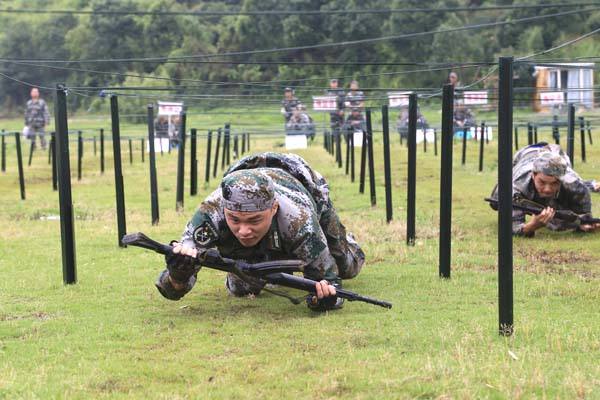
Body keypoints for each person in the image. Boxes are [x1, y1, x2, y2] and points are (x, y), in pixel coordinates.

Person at [155, 152, 366, 311]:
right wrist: (177, 276)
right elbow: (172, 290)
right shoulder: (210, 214)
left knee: (347, 267)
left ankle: (344, 242)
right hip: (244, 175)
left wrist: (322, 299)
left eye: (254, 220)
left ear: (273, 209)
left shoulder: (300, 220)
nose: (244, 230)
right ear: (224, 209)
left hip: (304, 184)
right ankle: (261, 256)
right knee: (242, 289)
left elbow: (330, 282)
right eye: (235, 220)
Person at [491, 143, 600, 237]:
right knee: (496, 202)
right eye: (542, 182)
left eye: (554, 183)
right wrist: (532, 226)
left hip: (554, 152)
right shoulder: (516, 187)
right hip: (525, 155)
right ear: (533, 175)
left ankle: (591, 184)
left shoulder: (577, 186)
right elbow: (511, 229)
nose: (547, 189)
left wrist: (585, 225)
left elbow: (583, 218)